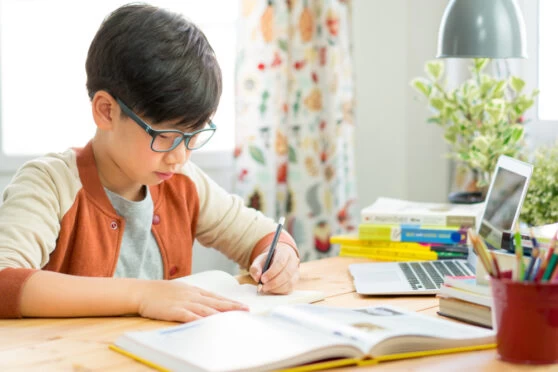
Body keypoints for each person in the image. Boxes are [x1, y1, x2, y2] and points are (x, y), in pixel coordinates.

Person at [0, 3, 299, 322]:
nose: (180, 156)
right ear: (106, 111)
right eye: (166, 135)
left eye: (193, 136)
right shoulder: (49, 184)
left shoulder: (183, 181)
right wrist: (143, 294)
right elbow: (4, 282)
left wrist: (279, 255)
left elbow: (262, 236)